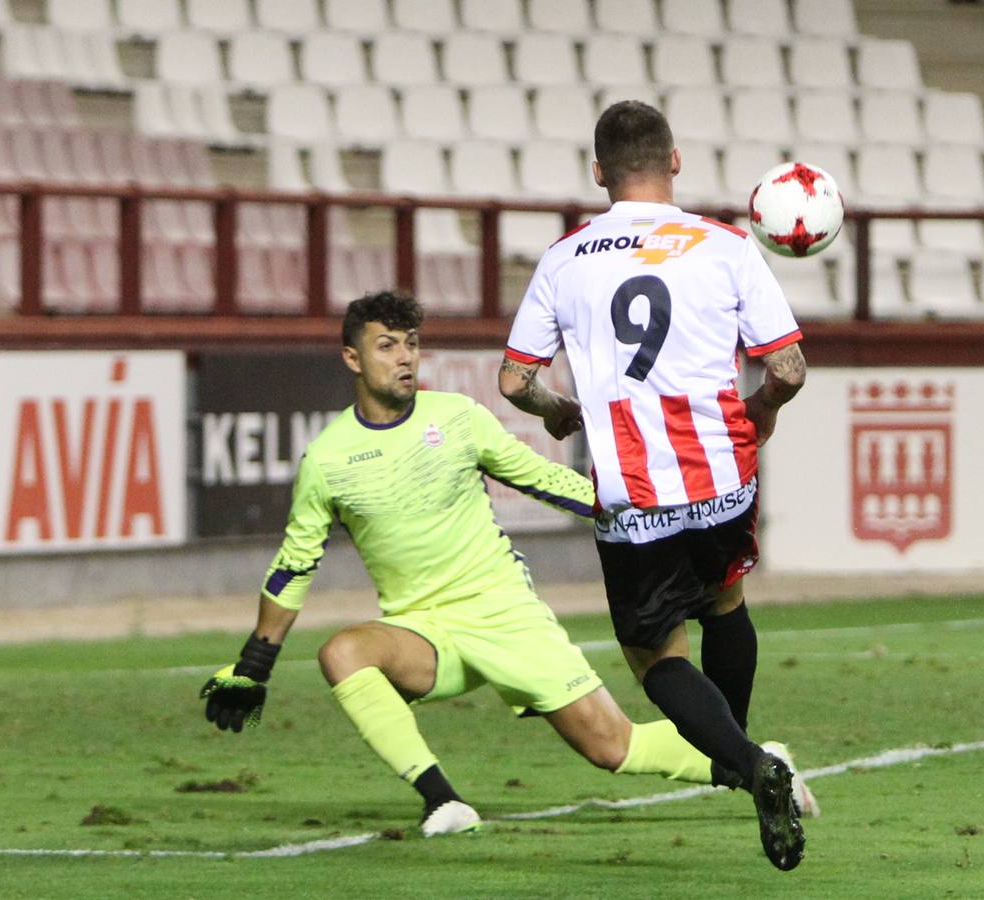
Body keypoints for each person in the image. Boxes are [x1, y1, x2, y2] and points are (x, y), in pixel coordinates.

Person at [200, 291, 752, 839]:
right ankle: (442, 799)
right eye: (387, 346)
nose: (404, 358)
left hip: (503, 612)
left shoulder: (458, 417)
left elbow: (543, 478)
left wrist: (630, 505)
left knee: (612, 747)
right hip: (422, 632)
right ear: (352, 358)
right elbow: (294, 565)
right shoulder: (327, 458)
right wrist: (255, 662)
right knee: (343, 652)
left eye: (411, 345)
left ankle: (752, 763)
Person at [498, 101, 814, 871]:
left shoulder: (565, 258)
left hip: (633, 494)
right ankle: (738, 753)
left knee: (654, 655)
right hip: (723, 477)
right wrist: (761, 413)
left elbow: (514, 380)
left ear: (598, 174)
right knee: (727, 602)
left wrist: (561, 412)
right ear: (675, 162)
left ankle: (745, 763)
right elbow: (788, 368)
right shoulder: (726, 245)